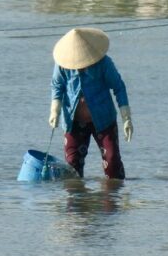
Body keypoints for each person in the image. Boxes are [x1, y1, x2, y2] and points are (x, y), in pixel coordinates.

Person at [49, 27, 133, 179]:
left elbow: (118, 87)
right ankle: (77, 199)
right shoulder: (63, 65)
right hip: (73, 121)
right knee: (73, 164)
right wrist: (55, 110)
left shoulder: (104, 63)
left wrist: (126, 118)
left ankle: (114, 197)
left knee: (112, 161)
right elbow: (57, 86)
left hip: (103, 120)